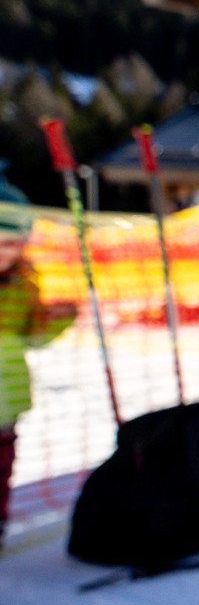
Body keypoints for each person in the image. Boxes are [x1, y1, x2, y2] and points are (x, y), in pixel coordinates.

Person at [1, 178, 76, 548]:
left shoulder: (23, 285)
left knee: (1, 470)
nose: (4, 251)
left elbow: (33, 337)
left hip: (8, 398)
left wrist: (55, 320)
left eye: (12, 243)